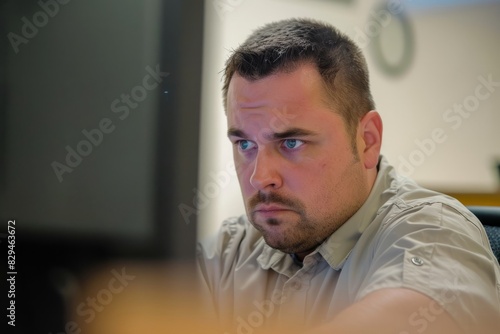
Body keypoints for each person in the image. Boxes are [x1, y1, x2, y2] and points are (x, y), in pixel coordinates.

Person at [197, 18, 500, 334]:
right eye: (245, 144)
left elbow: (418, 317)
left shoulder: (433, 231)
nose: (260, 177)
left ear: (367, 140)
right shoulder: (232, 251)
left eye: (291, 142)